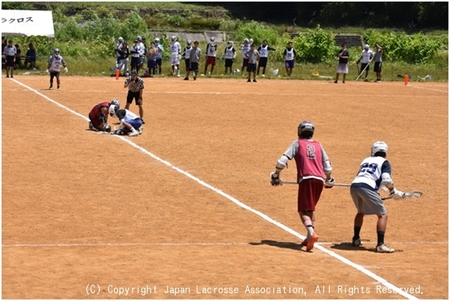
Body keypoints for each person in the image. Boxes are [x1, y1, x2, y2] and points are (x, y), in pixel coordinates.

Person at [270, 121, 334, 252]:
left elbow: (282, 161)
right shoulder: (318, 145)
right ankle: (308, 236)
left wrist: (276, 174)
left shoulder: (297, 143)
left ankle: (311, 233)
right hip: (319, 180)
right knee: (311, 209)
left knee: (303, 210)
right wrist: (328, 179)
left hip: (306, 179)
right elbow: (327, 166)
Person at [350, 141, 406, 253]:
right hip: (367, 187)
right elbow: (386, 179)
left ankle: (356, 239)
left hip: (354, 186)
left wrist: (377, 187)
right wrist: (393, 191)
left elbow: (362, 175)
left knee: (360, 211)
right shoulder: (384, 162)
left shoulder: (365, 160)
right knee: (382, 215)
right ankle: (380, 244)